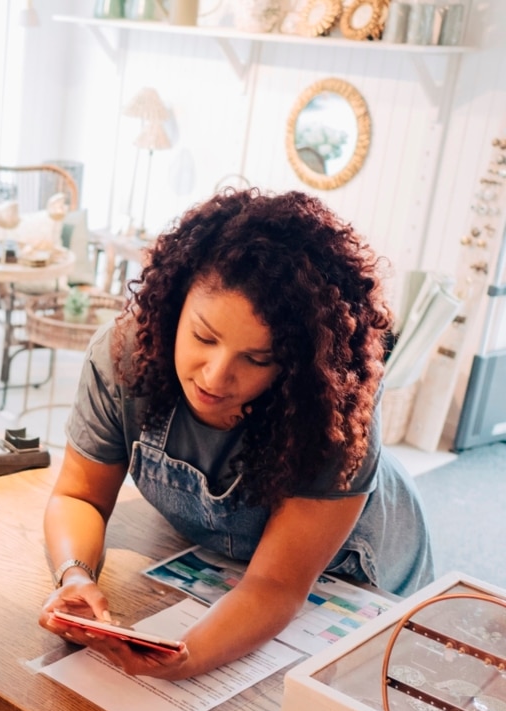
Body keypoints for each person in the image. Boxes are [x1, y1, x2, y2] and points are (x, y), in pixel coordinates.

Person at [38, 189, 433, 680]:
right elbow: (80, 496)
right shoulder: (125, 355)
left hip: (362, 579)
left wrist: (189, 655)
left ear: (294, 365)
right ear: (174, 305)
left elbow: (276, 585)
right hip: (234, 567)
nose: (215, 377)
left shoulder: (329, 407)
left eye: (257, 359)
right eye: (203, 337)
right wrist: (74, 574)